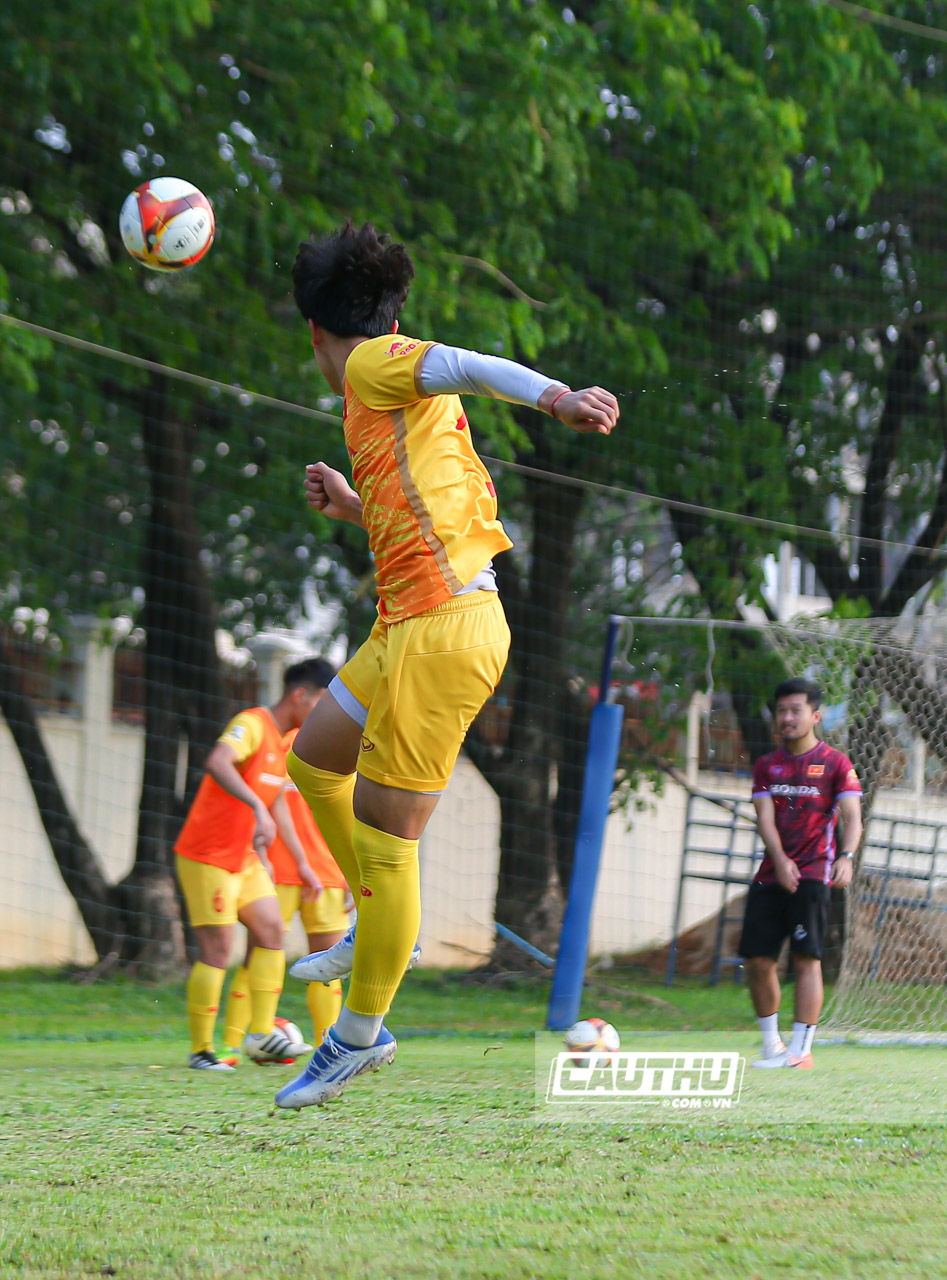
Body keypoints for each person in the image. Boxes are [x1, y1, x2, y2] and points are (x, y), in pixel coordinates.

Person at [278, 222, 620, 1109]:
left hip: (446, 631)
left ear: (314, 331)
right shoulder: (381, 394)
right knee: (313, 757)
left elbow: (466, 362)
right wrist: (357, 508)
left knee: (389, 847)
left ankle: (357, 1035)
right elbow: (431, 509)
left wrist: (556, 397)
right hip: (411, 619)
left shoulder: (365, 365)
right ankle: (375, 927)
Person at [175, 658, 332, 1071]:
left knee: (270, 931)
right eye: (321, 701)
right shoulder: (252, 723)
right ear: (300, 695)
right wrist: (253, 807)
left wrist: (302, 864)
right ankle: (203, 1051)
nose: (323, 712)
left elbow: (277, 799)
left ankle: (262, 1033)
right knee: (218, 949)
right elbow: (218, 762)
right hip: (206, 855)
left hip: (243, 858)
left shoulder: (288, 740)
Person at [741, 677, 862, 1069]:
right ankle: (771, 1046)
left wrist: (846, 856)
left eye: (796, 710)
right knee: (758, 960)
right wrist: (779, 860)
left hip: (814, 873)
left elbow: (852, 819)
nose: (787, 718)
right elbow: (765, 819)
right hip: (771, 872)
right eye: (781, 711)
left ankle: (800, 1050)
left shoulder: (836, 764)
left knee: (807, 957)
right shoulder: (766, 765)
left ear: (815, 715)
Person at [220, 721, 352, 1056]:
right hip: (275, 872)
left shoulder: (348, 746)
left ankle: (329, 1049)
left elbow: (352, 813)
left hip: (328, 872)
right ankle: (230, 1047)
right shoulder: (281, 745)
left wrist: (355, 870)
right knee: (256, 956)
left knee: (329, 964)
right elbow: (261, 800)